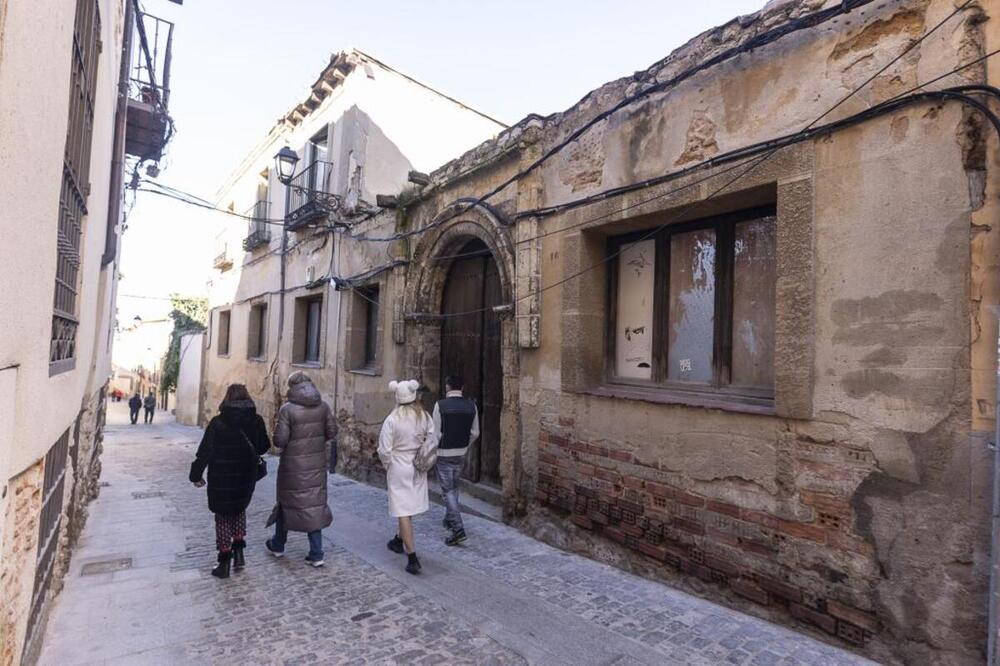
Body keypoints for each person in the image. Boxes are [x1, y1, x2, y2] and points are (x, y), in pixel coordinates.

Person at [189, 384, 270, 579]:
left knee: (223, 516)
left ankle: (224, 562)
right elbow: (264, 446)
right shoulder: (256, 421)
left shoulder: (218, 423)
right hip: (245, 477)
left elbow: (204, 452)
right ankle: (239, 554)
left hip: (221, 477)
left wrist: (196, 475)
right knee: (239, 510)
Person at [266, 372, 336, 567]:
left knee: (286, 504)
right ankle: (316, 553)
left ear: (291, 387)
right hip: (316, 466)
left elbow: (279, 441)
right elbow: (332, 432)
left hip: (292, 468)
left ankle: (278, 545)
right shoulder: (323, 407)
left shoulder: (287, 410)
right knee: (313, 505)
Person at [378, 379, 436, 575]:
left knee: (402, 508)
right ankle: (398, 539)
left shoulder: (392, 420)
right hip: (418, 463)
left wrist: (389, 465)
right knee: (407, 504)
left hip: (399, 464)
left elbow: (384, 450)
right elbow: (432, 438)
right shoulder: (424, 416)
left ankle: (412, 557)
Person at [432, 375, 480, 546]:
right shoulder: (471, 406)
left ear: (447, 387)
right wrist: (465, 444)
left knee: (447, 491)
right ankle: (449, 518)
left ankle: (458, 528)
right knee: (454, 486)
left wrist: (431, 450)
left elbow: (435, 433)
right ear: (462, 388)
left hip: (444, 452)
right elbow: (475, 432)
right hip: (461, 452)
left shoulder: (440, 405)